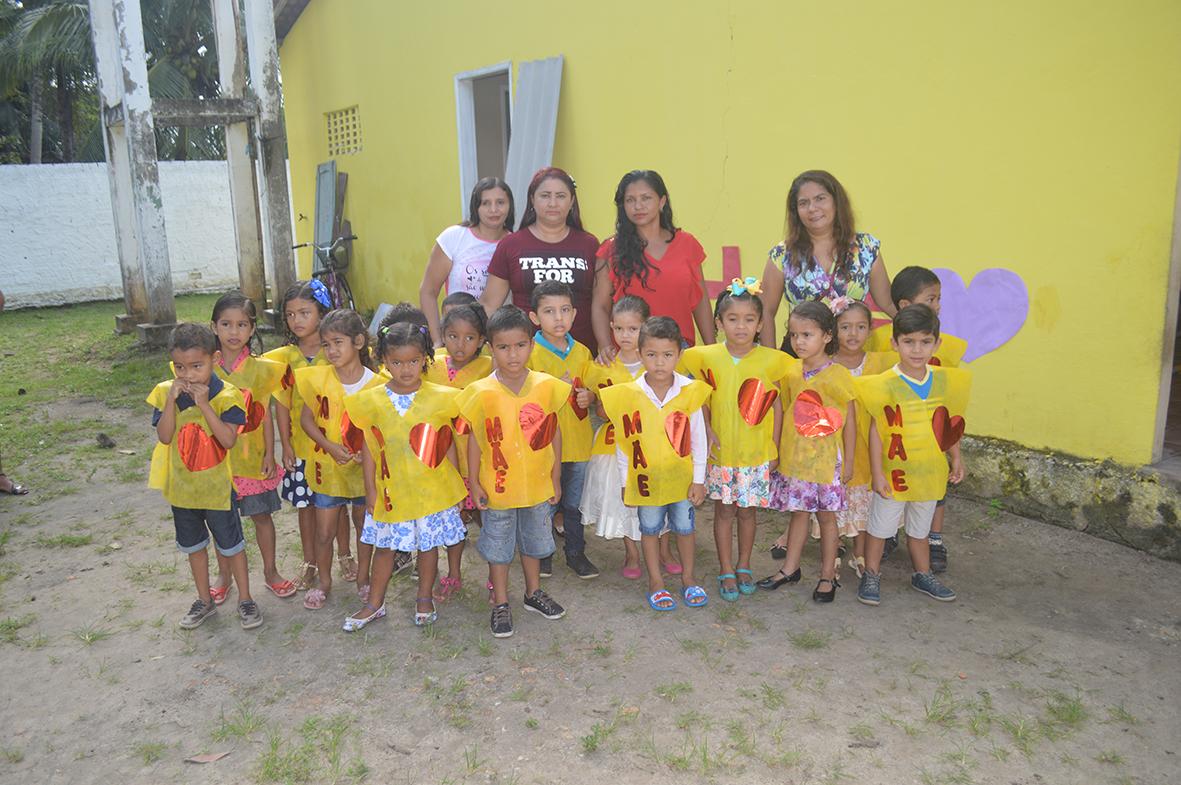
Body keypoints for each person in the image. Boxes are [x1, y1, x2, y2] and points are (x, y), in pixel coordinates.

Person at [341, 317, 468, 630]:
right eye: (397, 362)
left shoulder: (442, 397)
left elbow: (446, 443)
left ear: (425, 358)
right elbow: (371, 449)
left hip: (432, 492)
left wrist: (459, 486)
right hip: (390, 493)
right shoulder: (370, 401)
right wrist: (370, 491)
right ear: (384, 360)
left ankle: (424, 596)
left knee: (428, 547)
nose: (406, 369)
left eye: (413, 361)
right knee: (384, 549)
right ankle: (375, 603)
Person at [456, 305, 570, 639]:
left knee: (535, 541)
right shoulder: (480, 392)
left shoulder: (546, 386)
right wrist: (475, 480)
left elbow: (555, 432)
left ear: (531, 345)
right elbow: (476, 440)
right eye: (503, 347)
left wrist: (556, 476)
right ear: (490, 348)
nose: (513, 354)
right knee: (499, 545)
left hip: (537, 484)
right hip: (498, 488)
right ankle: (501, 602)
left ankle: (534, 593)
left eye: (520, 345)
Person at [679, 279, 793, 601]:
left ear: (760, 324)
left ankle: (744, 564)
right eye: (732, 319)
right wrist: (706, 428)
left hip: (755, 454)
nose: (740, 326)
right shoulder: (704, 357)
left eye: (749, 319)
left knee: (747, 513)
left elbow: (778, 406)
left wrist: (773, 446)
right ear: (718, 323)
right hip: (721, 453)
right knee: (724, 512)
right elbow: (697, 395)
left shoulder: (773, 360)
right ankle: (725, 567)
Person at [146, 323, 261, 630]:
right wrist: (171, 401)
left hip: (218, 491)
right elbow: (166, 437)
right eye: (180, 368)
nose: (188, 375)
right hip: (182, 491)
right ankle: (204, 600)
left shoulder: (227, 395)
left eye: (197, 366)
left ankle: (246, 599)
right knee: (194, 547)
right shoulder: (163, 393)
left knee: (232, 546)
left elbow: (228, 440)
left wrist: (204, 405)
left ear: (215, 359)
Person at [855, 304, 971, 606]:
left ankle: (922, 574)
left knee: (920, 529)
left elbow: (948, 424)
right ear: (895, 343)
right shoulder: (884, 385)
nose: (917, 350)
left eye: (924, 342)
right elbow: (876, 431)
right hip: (895, 473)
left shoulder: (945, 381)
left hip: (930, 470)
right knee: (880, 528)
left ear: (936, 343)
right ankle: (872, 573)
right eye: (908, 342)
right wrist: (878, 473)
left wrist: (956, 457)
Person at [601, 316, 712, 611]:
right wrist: (627, 483)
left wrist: (699, 479)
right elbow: (625, 444)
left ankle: (689, 579)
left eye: (667, 355)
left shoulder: (689, 392)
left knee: (685, 529)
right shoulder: (630, 396)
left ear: (679, 355)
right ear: (639, 354)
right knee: (649, 529)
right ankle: (656, 582)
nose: (659, 363)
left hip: (682, 479)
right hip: (646, 481)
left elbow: (699, 439)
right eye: (651, 355)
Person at [865, 265, 967, 571]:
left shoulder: (944, 345)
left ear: (933, 344)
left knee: (932, 490)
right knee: (891, 495)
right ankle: (890, 537)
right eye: (931, 299)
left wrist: (955, 454)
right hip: (896, 439)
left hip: (929, 442)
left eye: (939, 300)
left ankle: (932, 538)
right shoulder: (880, 340)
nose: (937, 305)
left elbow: (949, 413)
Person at [583, 296, 686, 577]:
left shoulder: (656, 361)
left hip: (655, 445)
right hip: (615, 445)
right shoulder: (603, 365)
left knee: (658, 496)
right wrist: (599, 402)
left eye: (634, 329)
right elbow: (600, 408)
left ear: (647, 328)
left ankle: (665, 549)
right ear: (612, 327)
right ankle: (631, 554)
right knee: (623, 498)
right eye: (619, 329)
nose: (625, 336)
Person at [761, 302, 856, 603]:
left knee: (827, 518)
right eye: (793, 335)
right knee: (798, 514)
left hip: (827, 462)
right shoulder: (789, 372)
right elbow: (785, 410)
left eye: (807, 334)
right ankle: (790, 568)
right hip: (797, 458)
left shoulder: (838, 376)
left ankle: (828, 575)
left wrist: (850, 461)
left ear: (827, 336)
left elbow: (850, 422)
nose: (798, 341)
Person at [293, 309, 386, 610]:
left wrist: (368, 454)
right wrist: (329, 446)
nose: (331, 350)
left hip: (365, 473)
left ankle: (363, 578)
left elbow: (382, 429)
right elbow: (307, 421)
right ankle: (324, 581)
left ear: (358, 342)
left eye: (338, 342)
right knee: (324, 531)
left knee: (364, 525)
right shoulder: (318, 379)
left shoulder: (378, 384)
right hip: (327, 469)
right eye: (326, 344)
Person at [206, 292, 295, 603]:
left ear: (252, 329)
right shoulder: (205, 367)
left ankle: (271, 571)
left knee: (261, 516)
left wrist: (271, 452)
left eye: (241, 324)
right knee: (221, 520)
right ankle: (224, 574)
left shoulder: (261, 369)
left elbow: (266, 413)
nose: (234, 332)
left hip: (254, 458)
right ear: (213, 327)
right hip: (215, 459)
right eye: (226, 324)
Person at [758, 170, 896, 348]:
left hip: (854, 356)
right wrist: (771, 363)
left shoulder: (866, 248)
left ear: (836, 202)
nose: (812, 208)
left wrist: (918, 332)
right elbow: (766, 313)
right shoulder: (782, 254)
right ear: (796, 211)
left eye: (820, 198)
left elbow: (888, 302)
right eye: (803, 203)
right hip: (802, 359)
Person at [480, 167, 611, 354]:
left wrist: (605, 345)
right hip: (526, 357)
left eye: (560, 196)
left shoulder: (589, 244)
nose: (552, 203)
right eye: (545, 196)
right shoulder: (511, 245)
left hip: (580, 357)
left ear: (572, 201)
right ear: (532, 199)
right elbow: (490, 304)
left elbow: (600, 305)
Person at [595, 170, 715, 359]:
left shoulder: (687, 244)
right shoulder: (611, 249)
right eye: (630, 200)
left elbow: (700, 302)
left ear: (662, 201)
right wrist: (605, 346)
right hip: (630, 354)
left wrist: (712, 350)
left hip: (678, 353)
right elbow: (600, 306)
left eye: (646, 198)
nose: (638, 206)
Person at [525, 281, 601, 579]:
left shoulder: (582, 352)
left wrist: (589, 396)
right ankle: (542, 553)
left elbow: (593, 387)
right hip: (542, 447)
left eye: (565, 310)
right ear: (535, 318)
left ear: (574, 314)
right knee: (544, 503)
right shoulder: (529, 353)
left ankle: (576, 552)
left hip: (578, 445)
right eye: (549, 311)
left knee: (573, 503)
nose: (558, 318)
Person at [264, 281, 330, 592]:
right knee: (306, 507)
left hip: (335, 447)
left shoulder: (336, 348)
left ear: (322, 312)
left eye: (305, 312)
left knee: (335, 508)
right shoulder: (284, 358)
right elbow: (281, 404)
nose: (297, 320)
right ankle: (310, 562)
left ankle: (343, 556)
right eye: (290, 315)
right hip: (302, 448)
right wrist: (286, 445)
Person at [425, 301, 493, 601]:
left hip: (481, 460)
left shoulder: (489, 367)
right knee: (452, 519)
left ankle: (495, 574)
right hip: (443, 461)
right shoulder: (431, 365)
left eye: (469, 338)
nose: (460, 344)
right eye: (453, 335)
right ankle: (453, 573)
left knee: (488, 518)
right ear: (442, 334)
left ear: (481, 341)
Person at [420, 178, 515, 346]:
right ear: (475, 207)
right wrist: (437, 339)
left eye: (500, 202)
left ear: (510, 206)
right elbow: (428, 291)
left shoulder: (515, 244)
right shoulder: (454, 238)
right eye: (485, 203)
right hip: (457, 338)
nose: (493, 209)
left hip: (498, 341)